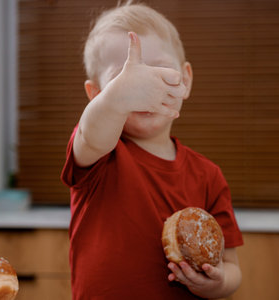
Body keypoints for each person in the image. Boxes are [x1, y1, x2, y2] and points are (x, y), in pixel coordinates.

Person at [61, 2, 243, 299]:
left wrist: (218, 283)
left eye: (158, 70)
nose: (143, 86)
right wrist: (116, 101)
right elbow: (92, 131)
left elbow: (232, 266)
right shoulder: (99, 153)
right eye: (123, 79)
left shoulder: (209, 176)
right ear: (95, 95)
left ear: (185, 80)